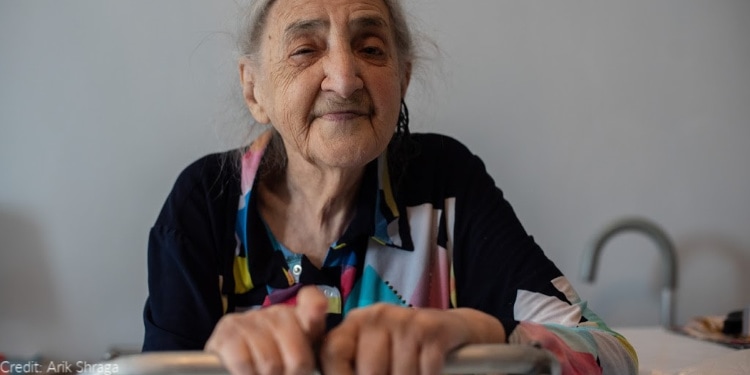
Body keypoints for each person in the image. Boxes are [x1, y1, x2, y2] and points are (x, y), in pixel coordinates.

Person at [142, 0, 638, 374]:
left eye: (371, 48)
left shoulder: (445, 182)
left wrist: (487, 333)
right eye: (305, 49)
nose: (343, 78)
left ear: (401, 78)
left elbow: (611, 354)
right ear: (255, 90)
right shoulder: (205, 203)